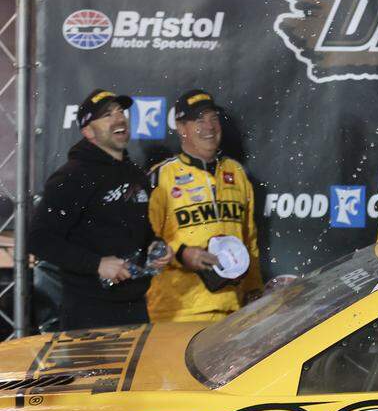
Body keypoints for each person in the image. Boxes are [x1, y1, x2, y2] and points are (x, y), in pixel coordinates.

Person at [30, 89, 171, 329]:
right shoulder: (71, 176)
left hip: (136, 306)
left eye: (120, 111)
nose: (119, 118)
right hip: (88, 310)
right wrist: (96, 264)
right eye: (107, 115)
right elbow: (39, 239)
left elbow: (140, 231)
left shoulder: (136, 174)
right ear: (88, 131)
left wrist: (155, 245)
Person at [147, 90, 261, 322]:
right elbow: (144, 242)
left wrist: (253, 289)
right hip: (178, 312)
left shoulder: (236, 172)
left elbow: (250, 239)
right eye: (199, 120)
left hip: (233, 310)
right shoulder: (161, 176)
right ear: (181, 128)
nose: (209, 127)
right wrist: (181, 254)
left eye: (213, 118)